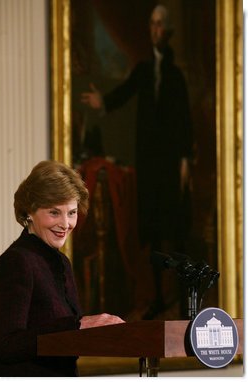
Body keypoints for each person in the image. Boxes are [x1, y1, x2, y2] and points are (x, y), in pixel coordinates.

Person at [81, 5, 194, 319]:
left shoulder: (175, 75)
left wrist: (185, 160)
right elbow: (125, 92)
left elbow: (185, 120)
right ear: (150, 29)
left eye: (162, 26)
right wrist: (103, 101)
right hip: (150, 165)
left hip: (172, 166)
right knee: (154, 230)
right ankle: (158, 296)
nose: (157, 30)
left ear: (168, 32)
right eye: (153, 24)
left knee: (177, 230)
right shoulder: (144, 70)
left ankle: (186, 300)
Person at [0, 160, 124, 377]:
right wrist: (78, 325)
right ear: (29, 212)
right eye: (54, 212)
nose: (65, 223)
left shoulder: (63, 263)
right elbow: (5, 344)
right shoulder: (17, 261)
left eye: (71, 213)